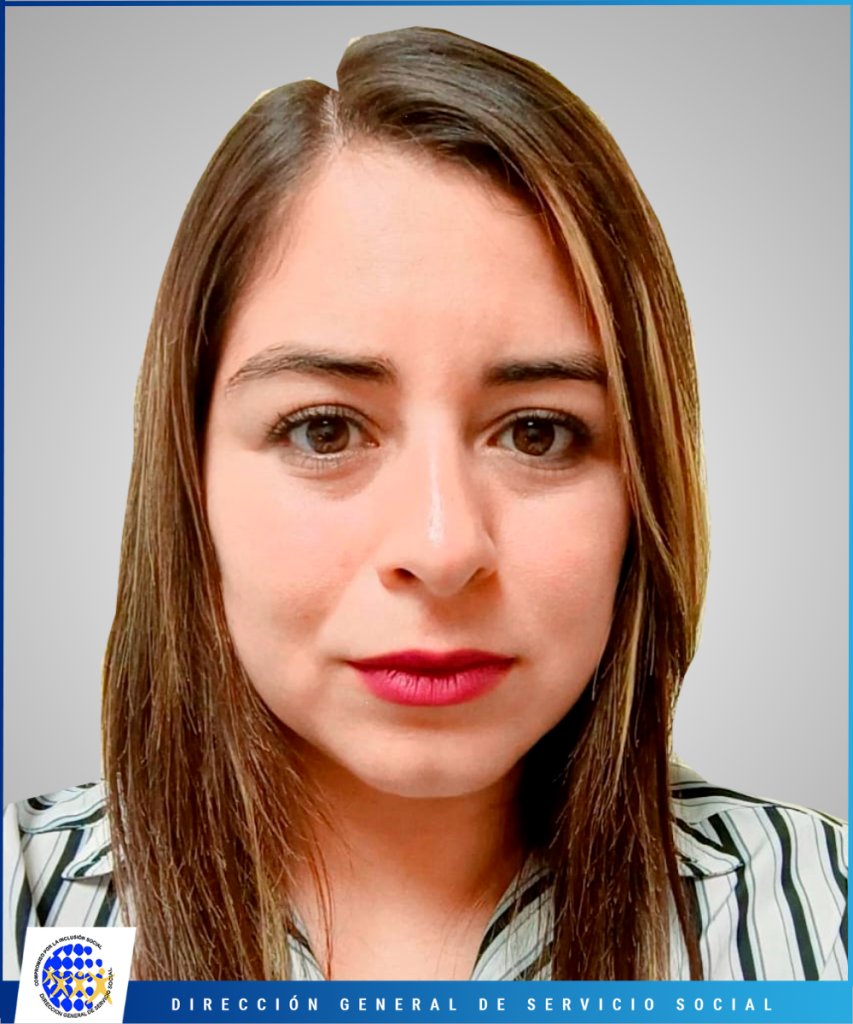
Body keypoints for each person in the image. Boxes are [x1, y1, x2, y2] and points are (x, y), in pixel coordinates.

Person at [3, 26, 847, 983]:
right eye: (325, 430)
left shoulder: (826, 921)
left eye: (538, 432)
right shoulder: (26, 908)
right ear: (189, 479)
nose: (442, 549)